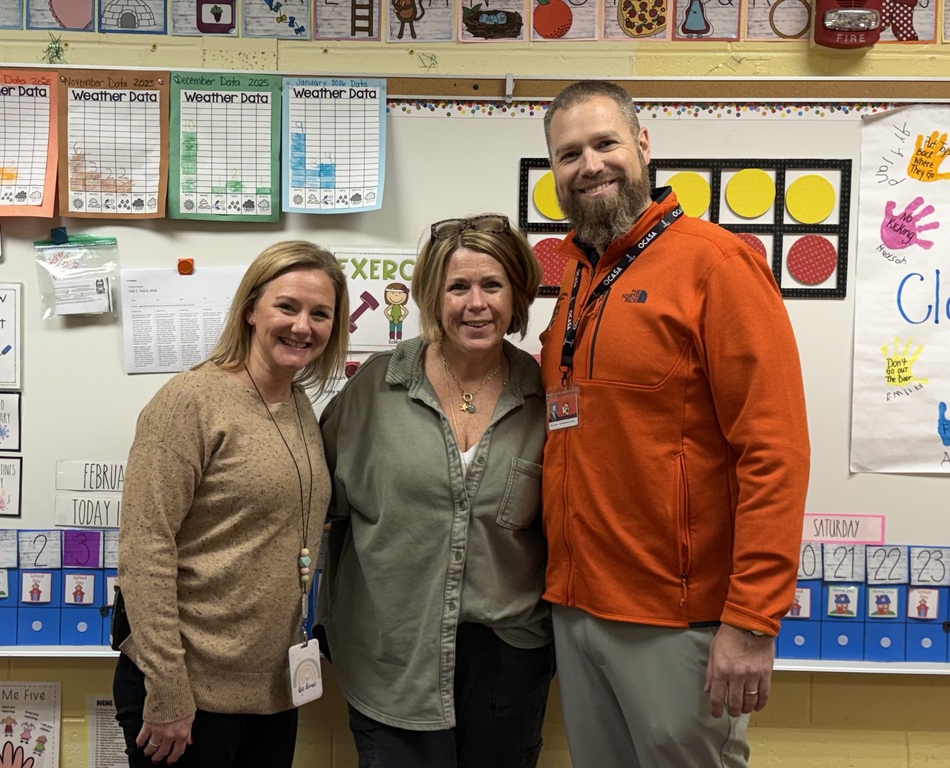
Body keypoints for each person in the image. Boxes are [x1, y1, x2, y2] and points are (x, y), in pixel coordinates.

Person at [539, 80, 810, 767]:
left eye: (605, 143)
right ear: (553, 172)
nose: (590, 165)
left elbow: (774, 453)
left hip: (675, 620)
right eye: (569, 154)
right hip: (577, 608)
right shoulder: (574, 276)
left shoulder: (717, 264)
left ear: (643, 145)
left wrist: (752, 620)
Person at [315, 214, 554, 768]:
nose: (477, 303)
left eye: (492, 286)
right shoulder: (375, 389)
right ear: (430, 296)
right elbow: (313, 501)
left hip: (507, 661)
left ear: (516, 296)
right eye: (458, 287)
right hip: (391, 653)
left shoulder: (547, 398)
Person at [113, 241, 349, 768]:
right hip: (189, 693)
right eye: (286, 307)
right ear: (250, 309)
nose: (302, 326)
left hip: (272, 688)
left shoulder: (298, 403)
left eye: (320, 313)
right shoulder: (190, 401)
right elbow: (145, 548)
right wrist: (169, 689)